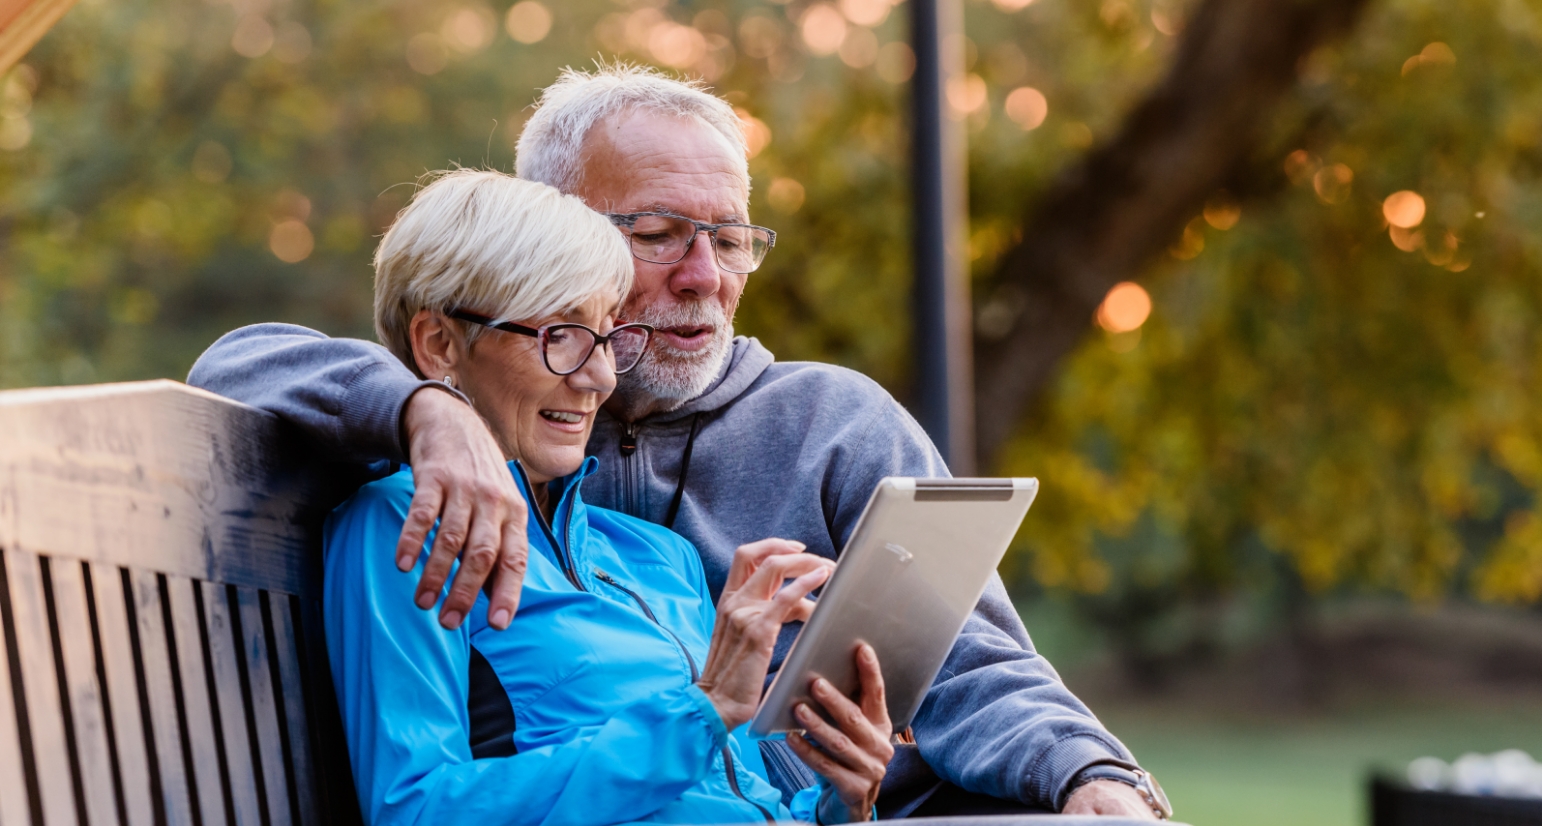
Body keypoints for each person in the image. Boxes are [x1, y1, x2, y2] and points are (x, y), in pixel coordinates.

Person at [189, 65, 1167, 818]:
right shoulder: (447, 460)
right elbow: (242, 360)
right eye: (657, 233)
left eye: (730, 237)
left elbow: (968, 662)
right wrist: (426, 411)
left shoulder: (812, 434)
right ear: (557, 239)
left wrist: (1081, 776)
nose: (704, 276)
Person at [326, 168, 893, 824]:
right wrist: (700, 713)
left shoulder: (655, 555)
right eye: (560, 336)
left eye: (604, 337)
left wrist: (839, 804)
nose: (598, 377)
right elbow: (415, 811)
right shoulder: (408, 525)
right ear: (438, 344)